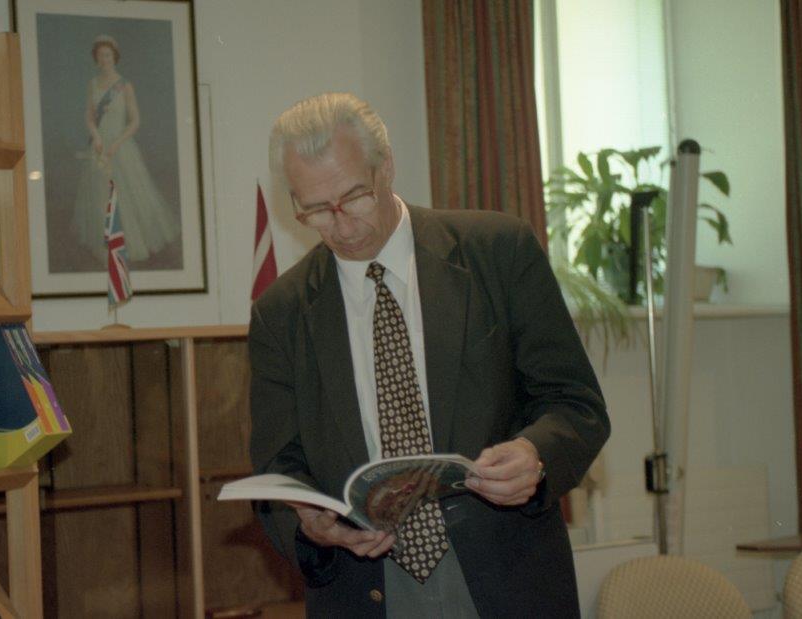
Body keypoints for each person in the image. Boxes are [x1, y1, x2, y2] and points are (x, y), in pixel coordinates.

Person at [250, 92, 610, 618]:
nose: (342, 226)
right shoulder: (280, 313)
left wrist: (535, 454)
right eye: (317, 210)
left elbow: (576, 404)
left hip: (508, 574)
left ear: (386, 167)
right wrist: (311, 527)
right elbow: (277, 469)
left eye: (355, 197)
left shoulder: (497, 250)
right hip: (365, 586)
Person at [71, 35, 178, 267]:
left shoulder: (124, 85)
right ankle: (107, 246)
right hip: (99, 147)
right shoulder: (92, 84)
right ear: (96, 59)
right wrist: (96, 136)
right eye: (100, 56)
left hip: (120, 147)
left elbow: (135, 121)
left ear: (114, 57)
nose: (104, 59)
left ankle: (129, 243)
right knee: (101, 196)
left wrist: (117, 143)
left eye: (108, 55)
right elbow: (89, 116)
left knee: (126, 196)